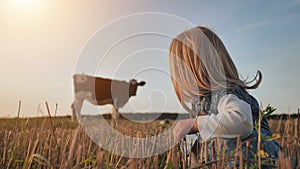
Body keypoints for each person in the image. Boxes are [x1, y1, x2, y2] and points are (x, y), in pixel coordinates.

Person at [170, 26, 279, 168]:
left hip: (255, 159)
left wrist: (196, 124)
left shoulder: (223, 92)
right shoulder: (207, 99)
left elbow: (241, 121)